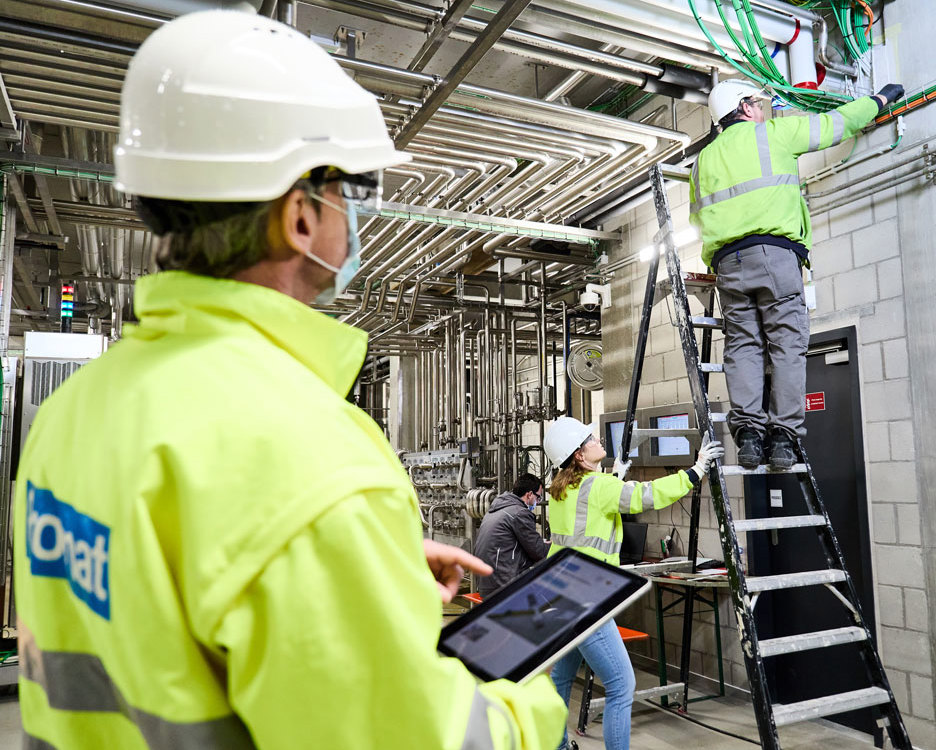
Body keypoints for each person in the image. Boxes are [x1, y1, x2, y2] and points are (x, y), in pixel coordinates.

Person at [13, 10, 564, 749]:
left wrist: (353, 563)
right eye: (349, 192)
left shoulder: (75, 411)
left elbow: (169, 600)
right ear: (301, 216)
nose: (355, 216)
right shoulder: (307, 457)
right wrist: (527, 697)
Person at [689, 79, 905, 469]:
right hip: (774, 255)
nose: (763, 109)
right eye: (759, 103)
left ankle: (750, 436)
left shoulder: (702, 162)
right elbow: (835, 125)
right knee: (786, 344)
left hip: (727, 265)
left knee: (743, 347)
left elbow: (698, 218)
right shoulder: (773, 134)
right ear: (746, 107)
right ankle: (784, 438)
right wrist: (878, 100)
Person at [541, 417, 722, 750]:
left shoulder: (559, 489)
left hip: (560, 595)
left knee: (563, 677)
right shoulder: (599, 488)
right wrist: (695, 471)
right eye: (590, 438)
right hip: (589, 600)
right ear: (579, 456)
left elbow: (588, 513)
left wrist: (613, 477)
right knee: (622, 684)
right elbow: (647, 496)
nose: (597, 439)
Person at [474, 472, 551, 597]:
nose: (537, 502)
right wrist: (555, 546)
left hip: (486, 583)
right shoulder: (519, 513)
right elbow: (539, 552)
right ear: (529, 494)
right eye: (538, 498)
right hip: (503, 586)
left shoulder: (497, 509)